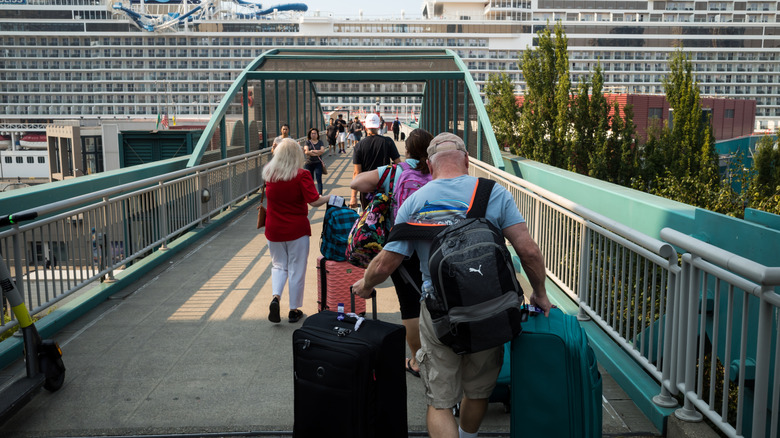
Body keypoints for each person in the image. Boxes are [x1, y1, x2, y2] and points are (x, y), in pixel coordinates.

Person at [352, 132, 552, 438]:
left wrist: (365, 285)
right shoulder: (492, 193)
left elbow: (385, 264)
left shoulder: (415, 202)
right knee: (478, 392)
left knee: (441, 403)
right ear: (468, 161)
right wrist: (539, 292)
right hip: (490, 307)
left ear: (430, 166)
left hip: (438, 312)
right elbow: (528, 251)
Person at [350, 128, 434, 378]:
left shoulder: (394, 172)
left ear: (406, 149)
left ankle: (418, 361)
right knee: (434, 297)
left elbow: (356, 182)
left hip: (402, 243)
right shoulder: (437, 172)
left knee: (409, 304)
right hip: (434, 243)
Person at [262, 138, 331, 324]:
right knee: (296, 268)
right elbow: (314, 200)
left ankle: (276, 297)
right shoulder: (301, 175)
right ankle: (293, 310)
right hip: (296, 230)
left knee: (278, 265)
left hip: (273, 229)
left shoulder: (269, 173)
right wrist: (329, 197)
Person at [350, 113, 401, 209]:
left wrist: (353, 197)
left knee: (367, 218)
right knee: (385, 218)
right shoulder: (388, 141)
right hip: (385, 188)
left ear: (365, 127)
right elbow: (399, 164)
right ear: (378, 126)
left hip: (365, 188)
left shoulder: (359, 145)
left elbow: (357, 172)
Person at [303, 127, 326, 195]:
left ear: (317, 134)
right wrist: (315, 152)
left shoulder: (320, 142)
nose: (313, 135)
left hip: (318, 163)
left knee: (319, 178)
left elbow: (322, 151)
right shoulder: (307, 142)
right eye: (312, 133)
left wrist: (311, 152)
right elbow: (306, 152)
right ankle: (311, 193)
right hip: (309, 163)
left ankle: (320, 194)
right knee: (310, 180)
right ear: (310, 134)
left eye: (315, 133)